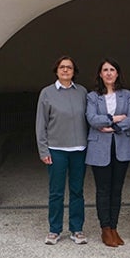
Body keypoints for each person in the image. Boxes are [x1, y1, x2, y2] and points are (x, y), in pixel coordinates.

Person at [35, 55, 88, 245]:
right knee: (56, 191)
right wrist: (43, 150)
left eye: (69, 68)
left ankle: (77, 229)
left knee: (77, 191)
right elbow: (41, 124)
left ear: (74, 72)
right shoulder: (47, 93)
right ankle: (54, 229)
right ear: (56, 70)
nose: (65, 70)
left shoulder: (82, 92)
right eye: (62, 67)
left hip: (79, 149)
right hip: (56, 149)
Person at [85, 58, 130, 247]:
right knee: (103, 189)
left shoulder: (127, 95)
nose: (108, 73)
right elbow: (92, 119)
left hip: (121, 147)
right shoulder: (92, 96)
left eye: (112, 69)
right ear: (100, 74)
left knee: (117, 190)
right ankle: (105, 228)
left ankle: (114, 227)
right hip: (99, 148)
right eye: (105, 70)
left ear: (117, 73)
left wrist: (112, 127)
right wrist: (113, 118)